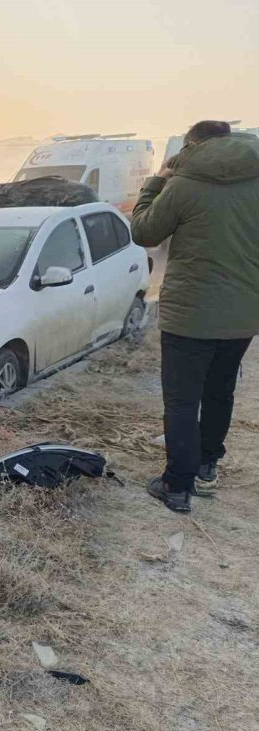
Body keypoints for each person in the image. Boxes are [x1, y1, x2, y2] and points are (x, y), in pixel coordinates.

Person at [130, 121, 259, 512]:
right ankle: (206, 467)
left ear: (192, 144)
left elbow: (144, 232)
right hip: (243, 314)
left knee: (183, 400)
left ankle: (176, 485)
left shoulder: (183, 184)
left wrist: (157, 181)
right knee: (220, 391)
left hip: (190, 314)